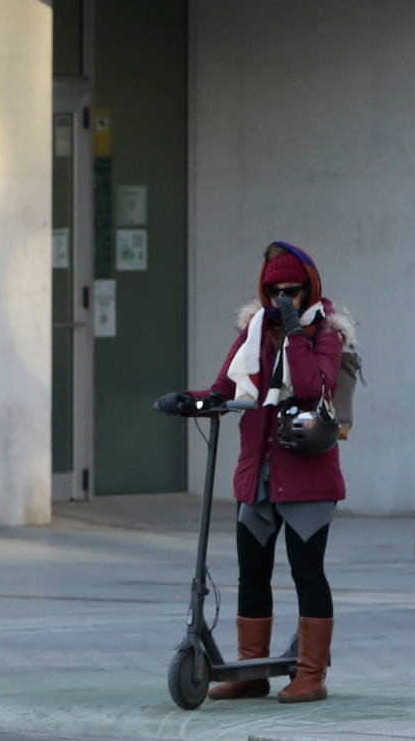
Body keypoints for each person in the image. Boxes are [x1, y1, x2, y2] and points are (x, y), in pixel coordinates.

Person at [155, 242, 353, 703]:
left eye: (294, 291)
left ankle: (311, 673)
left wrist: (295, 334)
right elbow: (223, 387)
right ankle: (251, 668)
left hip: (308, 478)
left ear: (310, 290)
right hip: (259, 474)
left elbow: (310, 388)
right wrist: (189, 401)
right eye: (276, 290)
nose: (285, 298)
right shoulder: (254, 332)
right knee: (252, 572)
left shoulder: (326, 334)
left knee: (308, 573)